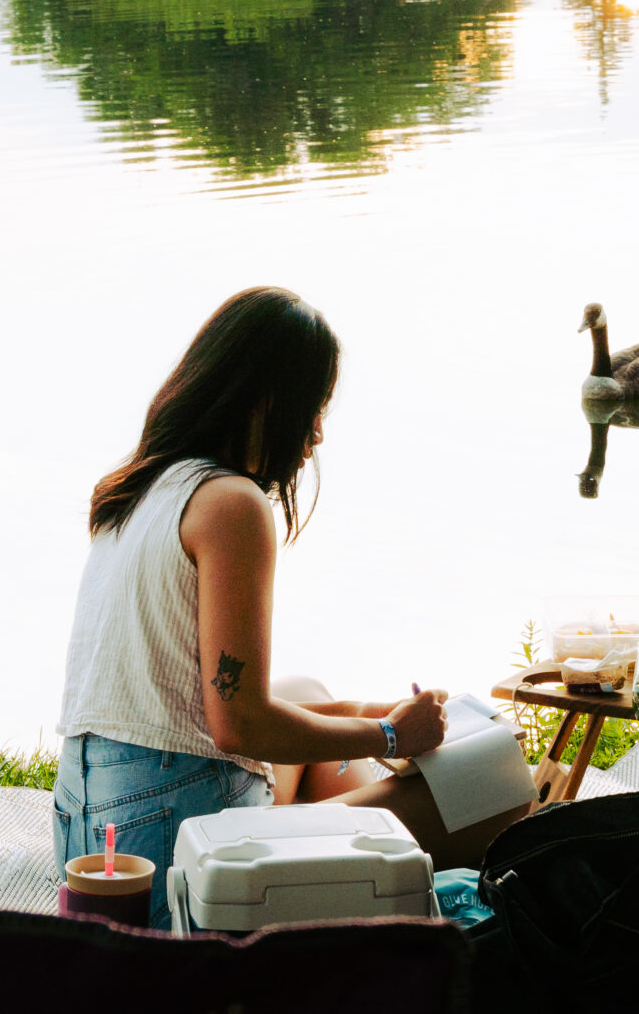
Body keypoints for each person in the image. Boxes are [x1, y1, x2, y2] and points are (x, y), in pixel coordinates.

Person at [52, 287, 524, 928]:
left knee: (305, 691)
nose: (317, 435)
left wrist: (367, 713)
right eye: (314, 410)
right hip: (181, 858)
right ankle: (350, 835)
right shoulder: (231, 505)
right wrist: (389, 735)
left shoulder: (136, 488)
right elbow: (237, 727)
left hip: (93, 839)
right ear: (271, 402)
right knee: (495, 797)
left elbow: (200, 708)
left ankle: (345, 820)